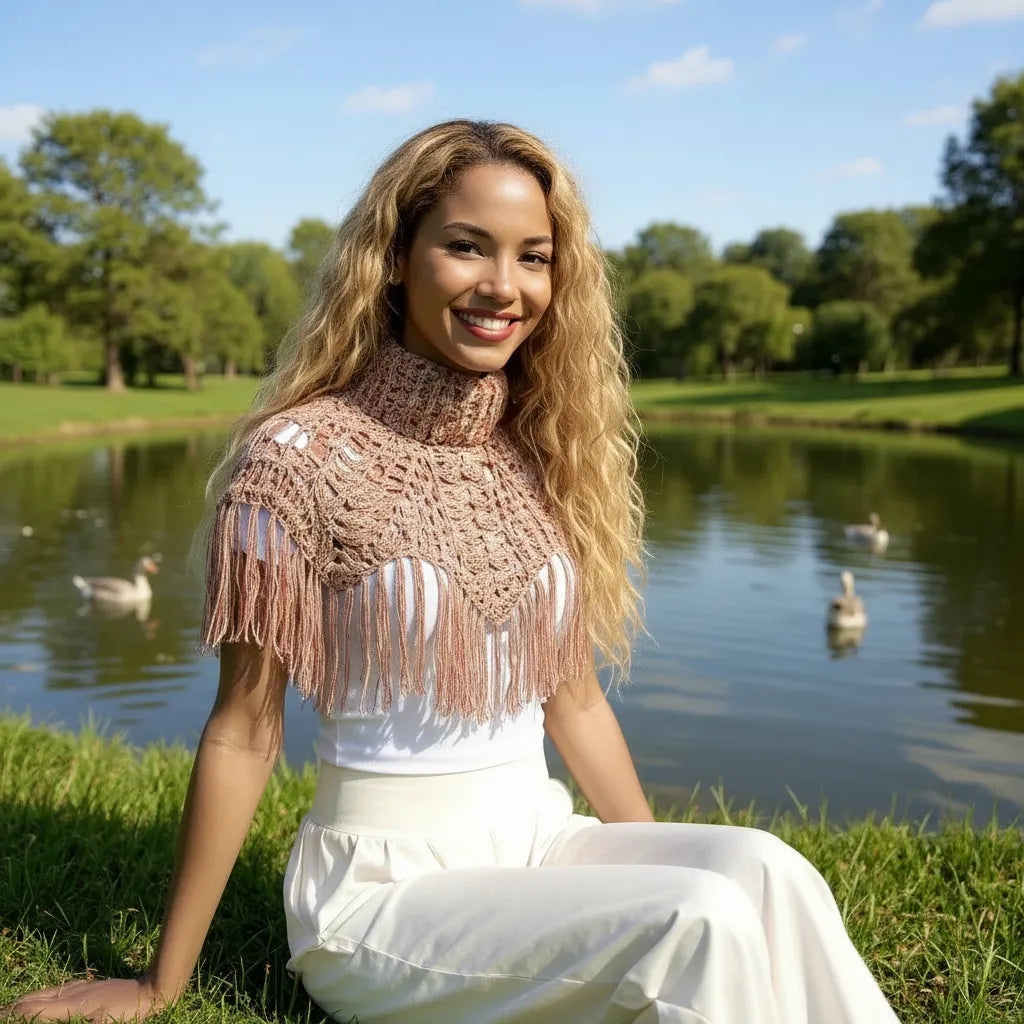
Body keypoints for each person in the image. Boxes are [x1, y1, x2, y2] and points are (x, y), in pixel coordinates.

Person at [2, 120, 901, 1024]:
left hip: (539, 837)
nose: (503, 287)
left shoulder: (540, 457)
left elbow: (575, 703)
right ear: (395, 256)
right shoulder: (296, 460)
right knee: (696, 919)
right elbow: (243, 730)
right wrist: (162, 981)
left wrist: (646, 857)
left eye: (533, 257)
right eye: (467, 246)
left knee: (769, 873)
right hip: (382, 889)